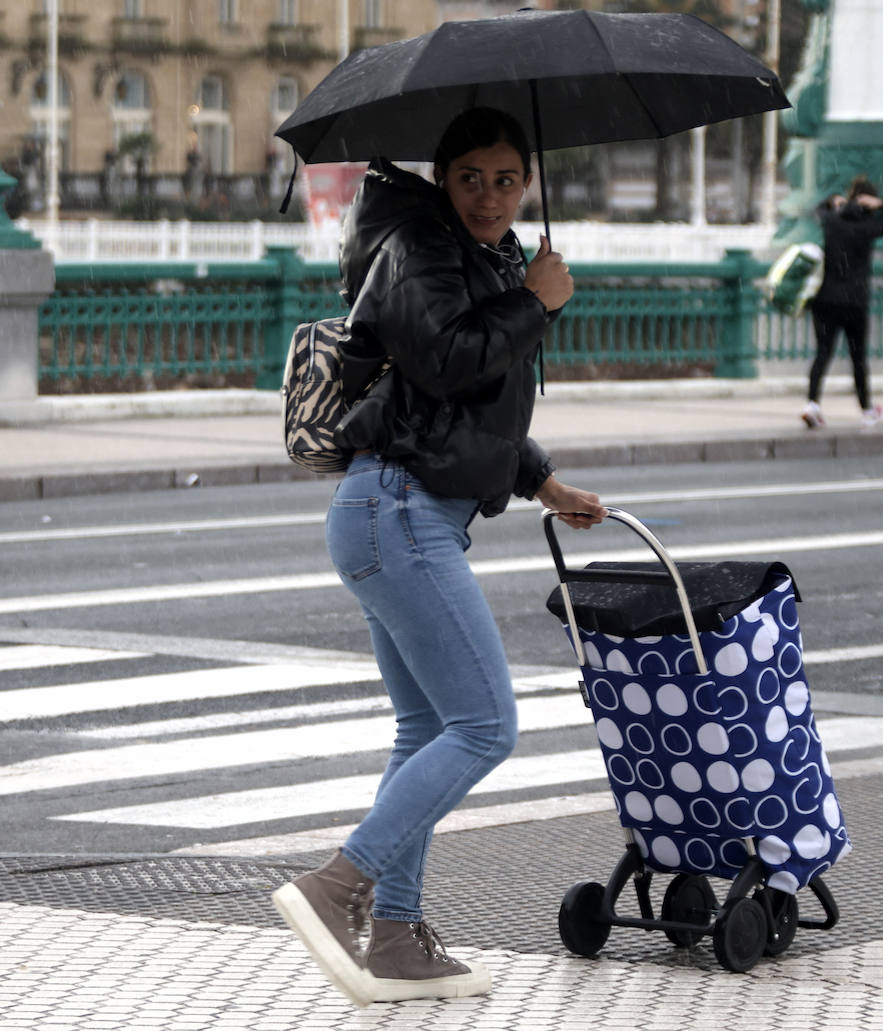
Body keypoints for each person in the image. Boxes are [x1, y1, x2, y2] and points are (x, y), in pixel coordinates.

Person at [271, 107, 606, 1007]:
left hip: (406, 511)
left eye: (506, 180)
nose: (490, 197)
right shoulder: (418, 252)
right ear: (443, 180)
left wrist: (546, 485)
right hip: (396, 512)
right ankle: (340, 885)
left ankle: (395, 935)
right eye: (471, 179)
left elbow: (466, 413)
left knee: (428, 730)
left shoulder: (480, 259)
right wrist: (534, 302)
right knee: (487, 726)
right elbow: (453, 361)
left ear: (527, 181)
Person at [801, 175, 883, 430]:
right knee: (858, 358)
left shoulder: (832, 221)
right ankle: (866, 409)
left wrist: (831, 202)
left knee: (822, 353)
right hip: (854, 302)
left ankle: (812, 404)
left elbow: (818, 211)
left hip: (825, 300)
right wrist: (882, 204)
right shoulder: (868, 226)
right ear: (868, 202)